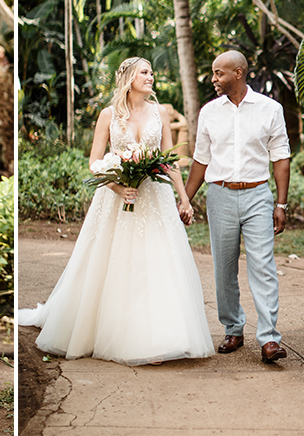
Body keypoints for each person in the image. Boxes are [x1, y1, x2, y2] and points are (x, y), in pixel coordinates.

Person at [18, 57, 215, 365]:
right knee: (115, 264)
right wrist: (119, 187)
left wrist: (184, 199)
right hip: (116, 199)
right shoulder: (109, 115)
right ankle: (109, 332)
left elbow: (168, 159)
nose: (151, 77)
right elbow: (95, 162)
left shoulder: (161, 112)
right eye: (145, 72)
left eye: (152, 72)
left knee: (158, 263)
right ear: (128, 78)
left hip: (154, 198)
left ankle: (161, 337)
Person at [184, 50, 290, 364]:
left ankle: (270, 339)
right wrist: (185, 199)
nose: (214, 79)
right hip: (220, 196)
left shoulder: (270, 109)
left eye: (219, 73)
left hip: (258, 194)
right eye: (213, 73)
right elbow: (201, 160)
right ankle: (233, 328)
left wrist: (280, 203)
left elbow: (281, 157)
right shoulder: (209, 112)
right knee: (224, 268)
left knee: (263, 266)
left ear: (239, 73)